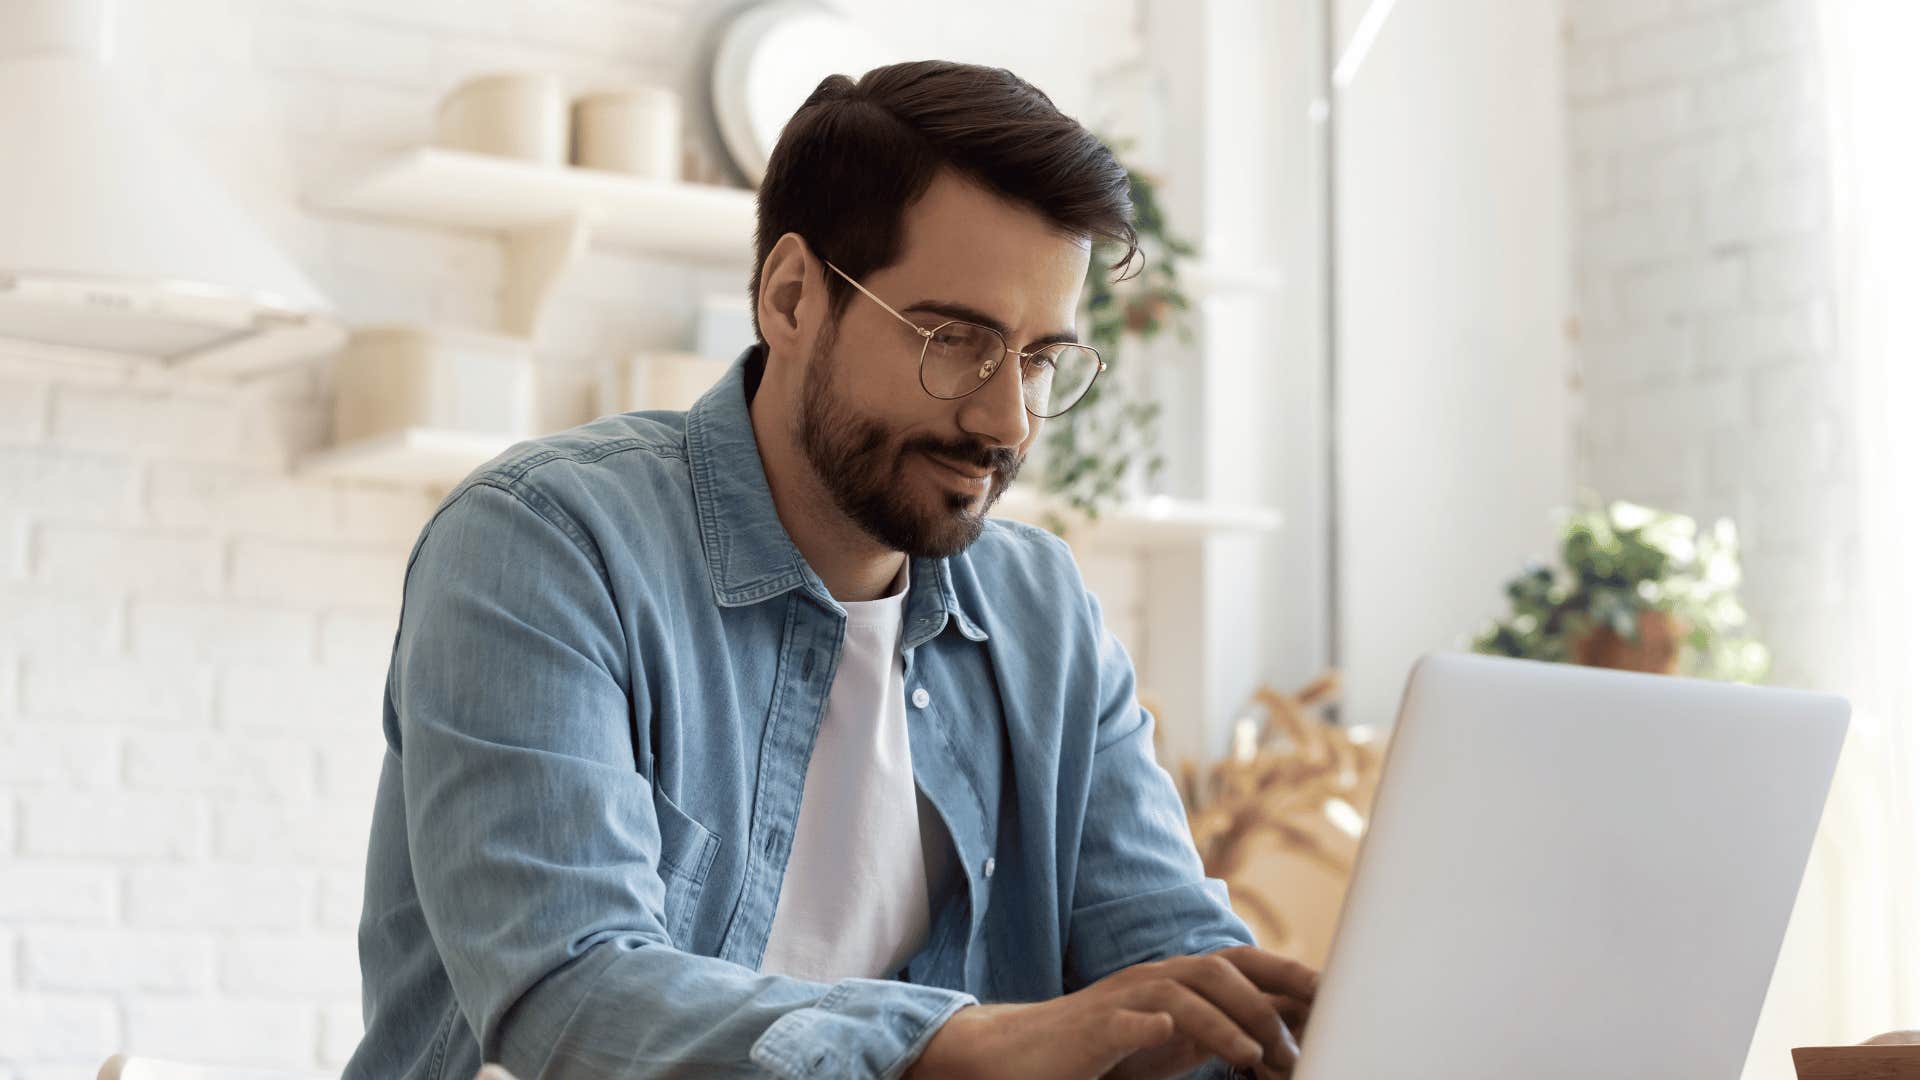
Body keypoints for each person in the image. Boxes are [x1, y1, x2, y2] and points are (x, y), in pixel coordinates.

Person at [344, 59, 1316, 1080]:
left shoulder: (1043, 611)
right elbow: (568, 994)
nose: (1005, 421)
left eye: (1037, 360)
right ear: (794, 297)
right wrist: (960, 1046)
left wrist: (1306, 1031)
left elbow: (1172, 964)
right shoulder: (543, 545)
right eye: (954, 340)